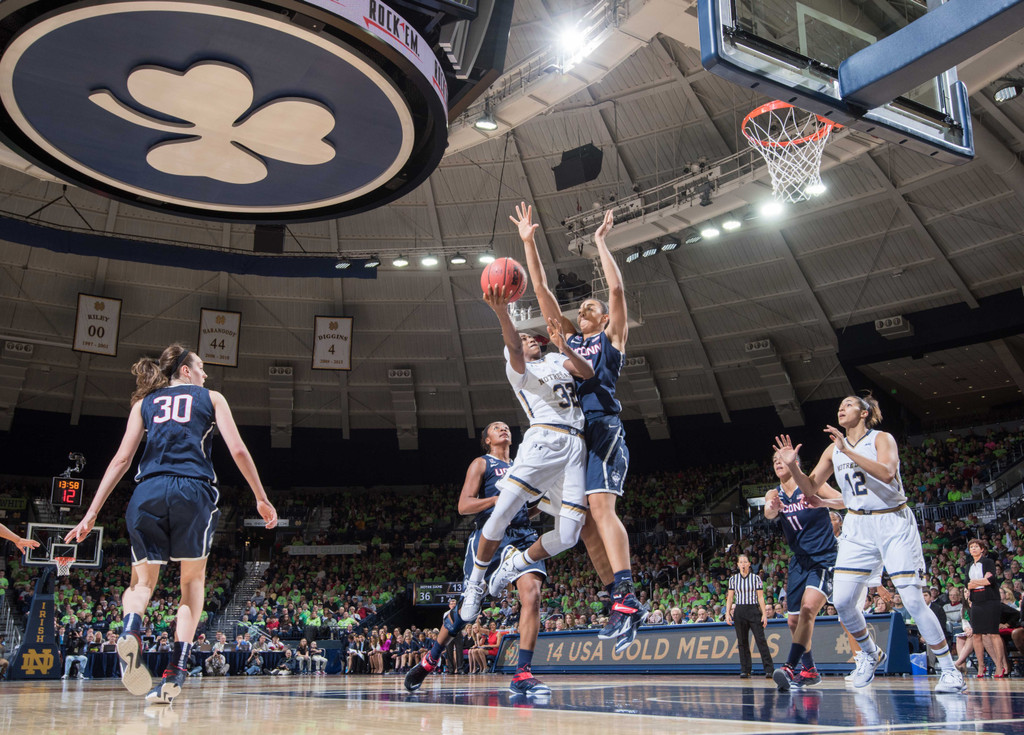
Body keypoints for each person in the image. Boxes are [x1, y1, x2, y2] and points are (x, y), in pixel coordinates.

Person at [65, 343, 278, 704]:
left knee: (142, 582)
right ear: (185, 371)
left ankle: (131, 629)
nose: (205, 373)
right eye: (201, 366)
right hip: (192, 491)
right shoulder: (211, 398)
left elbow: (121, 459)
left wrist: (90, 513)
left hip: (147, 491)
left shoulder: (143, 404)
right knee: (192, 579)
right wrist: (260, 495)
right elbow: (238, 449)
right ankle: (175, 672)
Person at [512, 203, 648, 650]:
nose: (587, 309)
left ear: (604, 319)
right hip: (573, 438)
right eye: (584, 308)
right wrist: (529, 242)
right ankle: (619, 601)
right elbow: (543, 289)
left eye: (593, 308)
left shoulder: (611, 339)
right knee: (584, 526)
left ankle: (627, 590)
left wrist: (601, 243)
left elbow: (617, 290)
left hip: (603, 428)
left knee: (602, 509)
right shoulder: (566, 340)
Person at [453, 285, 594, 695]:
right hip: (544, 438)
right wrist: (503, 313)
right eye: (527, 339)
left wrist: (567, 346)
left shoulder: (556, 360)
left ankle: (513, 566)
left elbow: (586, 373)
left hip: (574, 446)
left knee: (568, 535)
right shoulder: (519, 369)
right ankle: (478, 581)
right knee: (497, 517)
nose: (532, 340)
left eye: (536, 337)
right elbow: (514, 345)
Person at [776, 394, 966, 694]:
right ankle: (870, 652)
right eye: (840, 405)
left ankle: (949, 669)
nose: (842, 408)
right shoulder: (833, 449)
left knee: (914, 600)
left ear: (864, 413)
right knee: (841, 601)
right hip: (857, 525)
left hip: (893, 522)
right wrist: (795, 469)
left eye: (849, 404)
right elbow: (810, 487)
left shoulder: (881, 439)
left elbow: (887, 473)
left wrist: (847, 451)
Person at [405, 419, 549, 697]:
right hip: (491, 535)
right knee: (466, 612)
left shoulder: (521, 465)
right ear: (487, 440)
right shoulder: (481, 463)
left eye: (506, 427)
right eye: (496, 428)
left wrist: (540, 504)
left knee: (532, 594)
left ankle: (522, 673)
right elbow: (464, 505)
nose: (503, 429)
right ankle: (431, 658)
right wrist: (499, 500)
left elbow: (526, 509)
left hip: (522, 535)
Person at [764, 447, 840, 690]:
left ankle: (788, 667)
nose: (778, 463)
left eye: (782, 460)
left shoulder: (809, 484)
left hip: (824, 557)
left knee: (809, 608)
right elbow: (768, 512)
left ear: (794, 462)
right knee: (793, 622)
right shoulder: (773, 492)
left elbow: (845, 500)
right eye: (774, 460)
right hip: (799, 559)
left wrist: (824, 502)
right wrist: (773, 507)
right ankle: (809, 670)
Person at [725, 554, 774, 680]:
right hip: (739, 610)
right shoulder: (733, 579)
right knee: (742, 642)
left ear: (749, 564)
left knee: (760, 639)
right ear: (737, 565)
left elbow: (760, 597)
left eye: (744, 562)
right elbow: (730, 598)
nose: (742, 564)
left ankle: (769, 669)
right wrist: (727, 612)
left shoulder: (756, 578)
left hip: (753, 609)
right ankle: (745, 669)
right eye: (740, 562)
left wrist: (764, 613)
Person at [964, 538, 1008, 677]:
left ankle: (999, 666)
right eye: (971, 547)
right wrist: (980, 582)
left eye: (976, 546)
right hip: (976, 601)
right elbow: (967, 585)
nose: (974, 549)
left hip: (990, 600)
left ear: (982, 549)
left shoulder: (988, 562)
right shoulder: (969, 565)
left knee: (993, 633)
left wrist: (975, 582)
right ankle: (980, 666)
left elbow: (990, 581)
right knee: (977, 634)